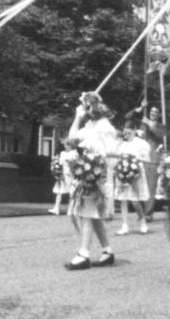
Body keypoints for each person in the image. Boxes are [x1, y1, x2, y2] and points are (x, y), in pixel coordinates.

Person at [64, 92, 116, 270]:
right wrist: (77, 118)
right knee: (93, 215)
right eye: (85, 106)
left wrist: (93, 164)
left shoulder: (105, 127)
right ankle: (107, 251)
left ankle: (83, 254)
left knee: (88, 212)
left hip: (97, 175)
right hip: (87, 173)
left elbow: (110, 153)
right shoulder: (89, 125)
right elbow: (71, 140)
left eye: (88, 105)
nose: (87, 109)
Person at [125, 103, 165, 220]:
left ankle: (148, 214)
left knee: (150, 187)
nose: (153, 113)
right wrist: (139, 109)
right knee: (139, 186)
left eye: (156, 112)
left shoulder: (161, 126)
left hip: (152, 159)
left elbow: (158, 134)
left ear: (159, 115)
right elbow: (128, 118)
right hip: (139, 158)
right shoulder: (141, 123)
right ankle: (141, 212)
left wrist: (149, 124)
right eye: (151, 111)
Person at [114, 121, 151, 235]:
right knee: (123, 200)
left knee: (135, 201)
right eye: (125, 133)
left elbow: (147, 159)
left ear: (134, 130)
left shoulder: (142, 143)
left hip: (136, 174)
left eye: (129, 132)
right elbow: (117, 157)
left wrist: (134, 161)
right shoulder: (122, 144)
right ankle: (125, 225)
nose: (127, 135)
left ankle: (143, 221)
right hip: (123, 174)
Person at [48, 139, 75, 215]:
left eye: (67, 145)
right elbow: (60, 163)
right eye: (65, 145)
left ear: (71, 146)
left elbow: (74, 163)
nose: (66, 146)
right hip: (62, 174)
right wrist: (58, 171)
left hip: (70, 174)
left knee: (71, 191)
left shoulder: (74, 153)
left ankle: (71, 209)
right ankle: (56, 208)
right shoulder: (62, 153)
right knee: (59, 191)